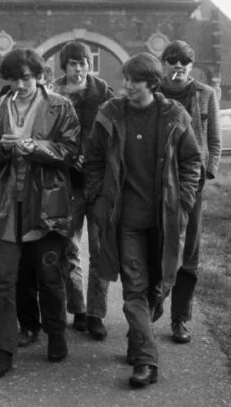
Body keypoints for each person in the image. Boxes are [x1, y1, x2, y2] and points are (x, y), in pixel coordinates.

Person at [83, 52, 202, 388]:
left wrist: (186, 201)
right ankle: (147, 363)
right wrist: (96, 199)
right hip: (125, 220)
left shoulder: (173, 115)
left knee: (158, 287)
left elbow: (193, 160)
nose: (128, 86)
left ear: (151, 82)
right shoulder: (110, 113)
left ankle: (139, 340)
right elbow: (92, 160)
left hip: (164, 218)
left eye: (135, 81)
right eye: (126, 80)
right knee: (134, 288)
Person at [0, 48, 79, 380]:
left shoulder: (61, 107)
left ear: (40, 76)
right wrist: (0, 149)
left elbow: (72, 152)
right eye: (13, 78)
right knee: (3, 281)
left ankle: (56, 334)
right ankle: (3, 351)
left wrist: (38, 148)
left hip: (47, 205)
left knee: (50, 276)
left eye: (27, 78)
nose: (20, 85)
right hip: (6, 206)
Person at [158, 40, 221, 345]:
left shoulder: (205, 95)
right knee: (155, 245)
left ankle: (180, 318)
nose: (178, 66)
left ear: (191, 66)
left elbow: (215, 141)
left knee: (189, 252)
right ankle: (153, 300)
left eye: (184, 62)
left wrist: (206, 175)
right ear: (163, 64)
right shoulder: (152, 92)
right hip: (155, 182)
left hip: (191, 182)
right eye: (172, 61)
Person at [51, 41, 114, 338]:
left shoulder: (104, 94)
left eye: (83, 63)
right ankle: (78, 308)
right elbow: (47, 135)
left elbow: (115, 137)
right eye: (73, 63)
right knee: (68, 248)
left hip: (99, 184)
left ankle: (96, 313)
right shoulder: (51, 95)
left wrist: (92, 156)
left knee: (100, 251)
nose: (79, 68)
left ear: (90, 64)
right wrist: (67, 154)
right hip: (66, 184)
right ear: (64, 66)